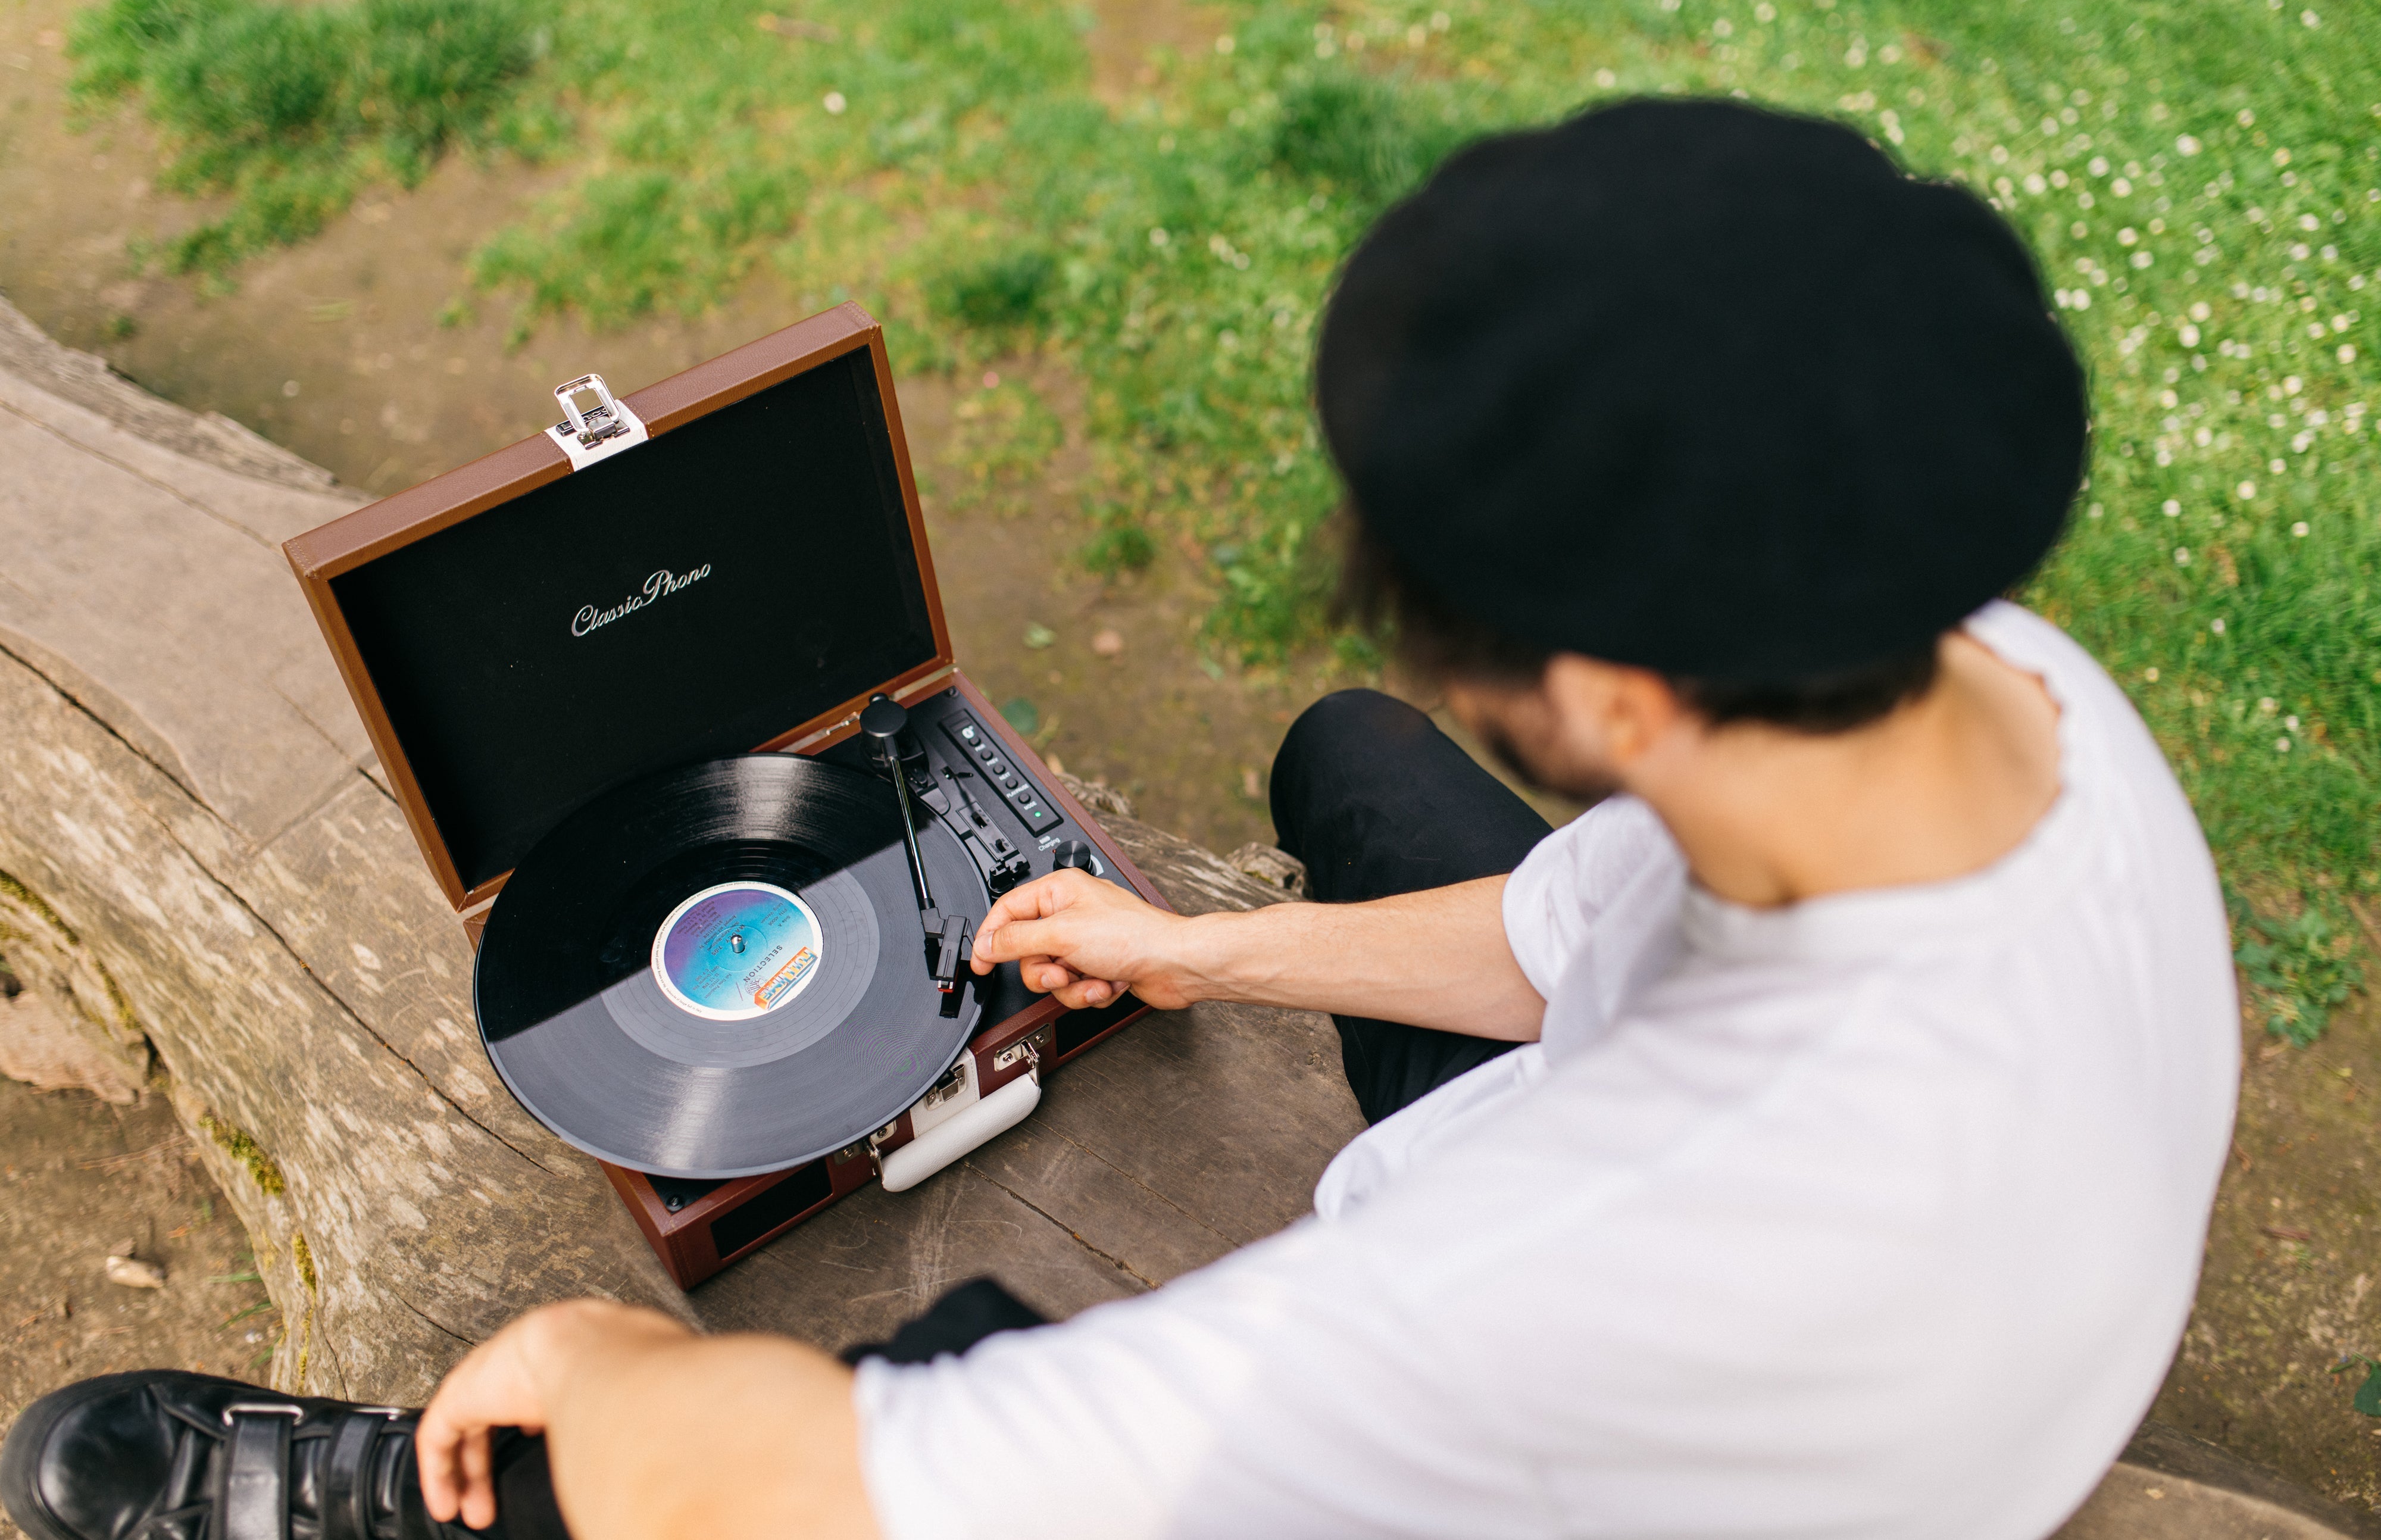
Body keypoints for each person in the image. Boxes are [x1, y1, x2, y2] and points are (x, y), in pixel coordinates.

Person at [2, 98, 2238, 1540]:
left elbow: (872, 1488)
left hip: (1691, 1441)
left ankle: (412, 1501)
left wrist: (611, 1376)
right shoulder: (1987, 678)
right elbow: (1573, 935)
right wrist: (1192, 956)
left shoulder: (1563, 1284)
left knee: (913, 1379)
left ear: (1619, 691)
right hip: (1947, 1315)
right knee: (1355, 768)